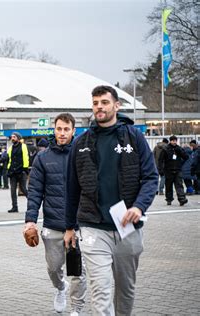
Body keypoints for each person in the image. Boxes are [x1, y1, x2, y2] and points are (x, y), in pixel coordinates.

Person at [64, 85, 158, 316]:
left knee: (125, 290)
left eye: (104, 102)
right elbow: (72, 188)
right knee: (101, 290)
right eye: (95, 103)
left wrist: (139, 206)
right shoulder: (81, 143)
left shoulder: (133, 137)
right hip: (93, 228)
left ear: (116, 105)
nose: (99, 107)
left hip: (127, 227)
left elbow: (151, 177)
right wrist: (69, 227)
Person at [25, 113, 86, 315]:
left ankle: (76, 309)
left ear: (73, 131)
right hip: (52, 223)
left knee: (78, 270)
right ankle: (61, 288)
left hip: (78, 225)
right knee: (53, 268)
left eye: (66, 129)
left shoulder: (82, 154)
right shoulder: (43, 158)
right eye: (59, 129)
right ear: (54, 129)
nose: (62, 133)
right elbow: (34, 192)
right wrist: (30, 221)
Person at [158, 135, 189, 206]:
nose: (174, 142)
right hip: (168, 170)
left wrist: (180, 151)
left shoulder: (179, 148)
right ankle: (169, 199)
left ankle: (182, 199)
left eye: (175, 140)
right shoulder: (165, 149)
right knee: (168, 185)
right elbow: (160, 160)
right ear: (170, 141)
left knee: (179, 185)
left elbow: (186, 157)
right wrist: (161, 170)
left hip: (178, 170)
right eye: (173, 141)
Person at [7, 132, 29, 213]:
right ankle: (14, 207)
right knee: (12, 190)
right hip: (12, 172)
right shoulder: (11, 147)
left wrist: (25, 169)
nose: (12, 138)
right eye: (12, 137)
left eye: (14, 137)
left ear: (18, 138)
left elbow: (26, 158)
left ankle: (32, 204)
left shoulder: (23, 146)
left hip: (21, 171)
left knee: (23, 189)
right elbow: (8, 157)